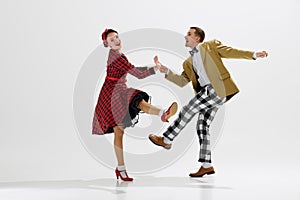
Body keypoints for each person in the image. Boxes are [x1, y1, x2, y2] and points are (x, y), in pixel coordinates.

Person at [149, 27, 268, 177]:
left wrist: (253, 55)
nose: (185, 36)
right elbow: (182, 81)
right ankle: (207, 165)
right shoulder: (187, 63)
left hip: (217, 88)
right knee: (202, 126)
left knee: (188, 109)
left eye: (189, 34)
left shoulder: (210, 46)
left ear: (197, 38)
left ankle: (166, 139)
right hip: (207, 92)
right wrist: (165, 70)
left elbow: (231, 51)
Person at [92, 29, 178, 181]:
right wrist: (155, 68)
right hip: (111, 95)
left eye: (117, 37)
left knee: (138, 100)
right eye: (112, 40)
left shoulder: (119, 55)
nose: (117, 41)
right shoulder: (116, 58)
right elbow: (137, 73)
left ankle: (163, 113)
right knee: (119, 131)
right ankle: (121, 169)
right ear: (107, 44)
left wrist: (154, 68)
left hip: (121, 89)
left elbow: (134, 70)